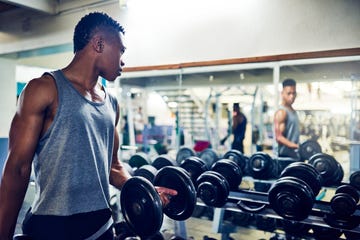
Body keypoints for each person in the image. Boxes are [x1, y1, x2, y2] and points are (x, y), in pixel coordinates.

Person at [0, 12, 176, 240]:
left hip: (101, 227)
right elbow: (18, 169)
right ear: (99, 43)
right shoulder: (43, 89)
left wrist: (143, 188)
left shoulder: (111, 103)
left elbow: (112, 166)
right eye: (121, 50)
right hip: (52, 227)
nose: (123, 60)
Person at [274, 78, 300, 159]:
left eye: (294, 93)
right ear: (282, 93)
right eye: (289, 93)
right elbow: (279, 138)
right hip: (284, 157)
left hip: (294, 155)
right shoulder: (282, 112)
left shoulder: (293, 111)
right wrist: (296, 146)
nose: (292, 96)